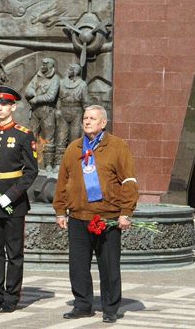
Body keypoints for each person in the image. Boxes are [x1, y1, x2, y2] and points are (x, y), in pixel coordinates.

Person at [52, 105, 139, 324]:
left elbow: (129, 180)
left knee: (109, 266)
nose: (87, 121)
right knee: (78, 266)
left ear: (103, 123)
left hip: (106, 217)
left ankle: (110, 308)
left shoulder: (117, 146)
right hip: (78, 217)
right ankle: (82, 305)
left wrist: (126, 212)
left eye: (92, 118)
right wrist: (60, 210)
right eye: (85, 118)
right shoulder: (74, 148)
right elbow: (62, 181)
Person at [0, 86, 38, 313]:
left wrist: (11, 195)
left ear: (13, 107)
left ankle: (11, 297)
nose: (0, 107)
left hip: (14, 202)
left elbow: (30, 171)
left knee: (14, 253)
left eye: (4, 104)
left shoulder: (23, 134)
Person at [24, 57, 60, 171]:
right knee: (31, 136)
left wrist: (37, 99)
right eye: (42, 64)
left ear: (51, 66)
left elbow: (51, 96)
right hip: (35, 111)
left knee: (49, 138)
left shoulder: (55, 79)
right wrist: (32, 93)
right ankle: (31, 162)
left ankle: (48, 164)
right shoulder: (37, 76)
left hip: (47, 111)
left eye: (45, 64)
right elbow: (28, 89)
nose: (43, 66)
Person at [56, 63, 90, 165]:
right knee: (61, 137)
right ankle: (59, 163)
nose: (68, 71)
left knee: (75, 138)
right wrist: (58, 110)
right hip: (63, 111)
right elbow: (58, 98)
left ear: (75, 71)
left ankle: (73, 163)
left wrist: (87, 117)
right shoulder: (62, 83)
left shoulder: (82, 85)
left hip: (77, 112)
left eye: (70, 69)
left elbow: (86, 103)